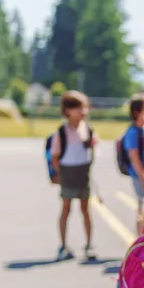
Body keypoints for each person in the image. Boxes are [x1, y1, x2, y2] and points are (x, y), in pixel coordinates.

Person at [49, 90, 98, 261]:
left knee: (86, 210)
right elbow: (55, 156)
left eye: (84, 108)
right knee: (66, 209)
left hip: (83, 173)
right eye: (79, 108)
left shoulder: (88, 129)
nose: (83, 112)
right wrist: (60, 175)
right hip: (68, 173)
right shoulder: (62, 132)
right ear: (68, 111)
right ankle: (63, 245)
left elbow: (92, 148)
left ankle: (89, 244)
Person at [121, 93, 144, 231]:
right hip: (140, 175)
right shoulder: (133, 132)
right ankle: (141, 239)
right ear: (137, 112)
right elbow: (134, 158)